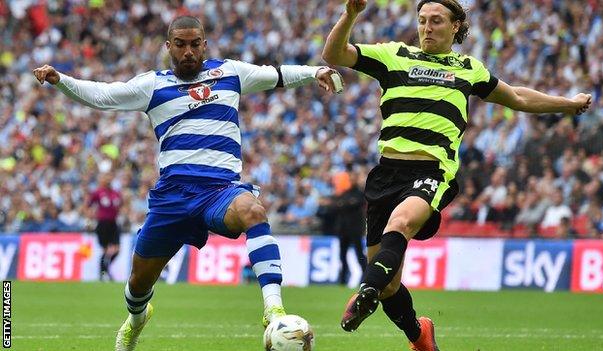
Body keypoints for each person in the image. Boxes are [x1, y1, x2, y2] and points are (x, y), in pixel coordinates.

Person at [33, 15, 342, 351]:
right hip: (173, 198)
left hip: (220, 190)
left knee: (253, 210)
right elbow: (103, 96)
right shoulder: (153, 86)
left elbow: (278, 75)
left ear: (204, 44)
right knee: (138, 283)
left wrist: (315, 72)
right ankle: (136, 319)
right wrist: (59, 79)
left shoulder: (231, 73)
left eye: (195, 43)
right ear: (169, 47)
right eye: (180, 44)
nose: (188, 51)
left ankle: (274, 309)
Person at [322, 1, 592, 350]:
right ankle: (417, 334)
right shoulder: (393, 55)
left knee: (400, 223)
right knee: (389, 283)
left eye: (436, 21)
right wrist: (351, 14)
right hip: (385, 173)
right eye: (422, 21)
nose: (427, 27)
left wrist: (568, 104)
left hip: (432, 170)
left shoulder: (468, 69)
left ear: (456, 27)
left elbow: (517, 97)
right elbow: (334, 54)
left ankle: (364, 291)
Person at [333, 166, 367, 285]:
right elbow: (337, 205)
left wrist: (344, 204)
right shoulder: (346, 193)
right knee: (342, 255)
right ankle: (342, 279)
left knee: (359, 254)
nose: (351, 180)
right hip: (343, 229)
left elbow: (350, 204)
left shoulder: (360, 193)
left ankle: (366, 278)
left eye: (353, 178)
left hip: (355, 229)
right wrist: (346, 204)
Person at [87, 172, 123, 281]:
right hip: (102, 224)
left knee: (116, 250)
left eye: (109, 177)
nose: (107, 179)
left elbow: (121, 205)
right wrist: (90, 218)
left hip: (113, 223)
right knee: (105, 250)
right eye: (105, 177)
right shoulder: (98, 192)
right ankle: (103, 273)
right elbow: (88, 205)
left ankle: (105, 270)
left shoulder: (116, 193)